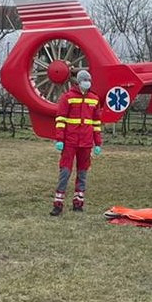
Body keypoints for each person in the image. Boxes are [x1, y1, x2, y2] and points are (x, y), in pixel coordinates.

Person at [50, 69, 103, 216]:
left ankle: (78, 203)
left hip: (86, 143)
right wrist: (60, 139)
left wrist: (98, 143)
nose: (87, 83)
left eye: (89, 80)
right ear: (78, 82)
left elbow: (96, 123)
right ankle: (58, 204)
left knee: (83, 173)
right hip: (70, 142)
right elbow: (60, 120)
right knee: (65, 172)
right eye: (85, 80)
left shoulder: (94, 99)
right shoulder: (67, 97)